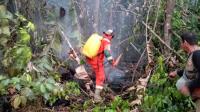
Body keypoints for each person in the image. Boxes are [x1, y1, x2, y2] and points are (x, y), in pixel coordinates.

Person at [168, 32, 200, 111]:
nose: (180, 45)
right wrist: (176, 72)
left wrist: (189, 86)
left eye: (181, 42)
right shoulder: (194, 54)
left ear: (185, 42)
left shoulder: (197, 55)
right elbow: (192, 70)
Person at [86, 29, 115, 102]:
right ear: (110, 36)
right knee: (101, 77)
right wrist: (111, 61)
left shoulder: (101, 39)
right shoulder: (106, 41)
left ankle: (101, 90)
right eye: (112, 37)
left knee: (100, 75)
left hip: (91, 59)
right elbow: (106, 52)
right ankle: (97, 97)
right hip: (96, 61)